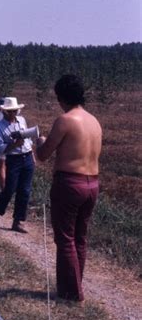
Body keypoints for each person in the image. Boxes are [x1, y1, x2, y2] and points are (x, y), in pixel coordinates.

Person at [36, 74, 102, 302]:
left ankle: (72, 293)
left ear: (61, 97)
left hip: (70, 183)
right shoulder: (94, 121)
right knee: (79, 238)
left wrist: (39, 141)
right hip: (92, 183)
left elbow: (43, 155)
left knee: (65, 239)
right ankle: (72, 288)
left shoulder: (65, 120)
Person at [0, 97, 35, 233]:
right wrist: (14, 145)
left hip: (27, 157)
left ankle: (18, 221)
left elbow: (28, 140)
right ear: (5, 112)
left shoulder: (22, 121)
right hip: (14, 159)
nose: (14, 113)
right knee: (9, 189)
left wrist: (32, 155)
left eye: (15, 110)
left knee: (25, 190)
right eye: (10, 111)